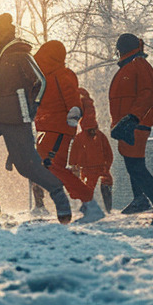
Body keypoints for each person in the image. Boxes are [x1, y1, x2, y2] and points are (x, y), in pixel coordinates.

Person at [0, 14, 71, 226]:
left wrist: (31, 107)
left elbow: (40, 83)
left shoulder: (21, 55)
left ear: (4, 35)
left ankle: (58, 193)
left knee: (26, 166)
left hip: (17, 118)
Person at [34, 40, 102, 222]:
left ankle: (88, 202)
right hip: (46, 128)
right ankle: (77, 201)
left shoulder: (62, 75)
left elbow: (72, 96)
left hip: (59, 128)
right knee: (46, 165)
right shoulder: (43, 78)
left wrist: (74, 111)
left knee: (52, 165)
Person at [108, 33, 153, 216]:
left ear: (122, 49)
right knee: (132, 162)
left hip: (135, 122)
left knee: (135, 165)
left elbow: (148, 93)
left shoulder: (139, 65)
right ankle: (139, 199)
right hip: (126, 124)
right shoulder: (130, 66)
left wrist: (133, 117)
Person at [69, 88, 114, 213]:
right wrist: (107, 166)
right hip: (100, 167)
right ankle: (107, 207)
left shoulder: (80, 137)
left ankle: (88, 206)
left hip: (87, 169)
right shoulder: (100, 135)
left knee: (88, 187)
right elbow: (109, 154)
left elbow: (74, 153)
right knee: (106, 182)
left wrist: (74, 164)